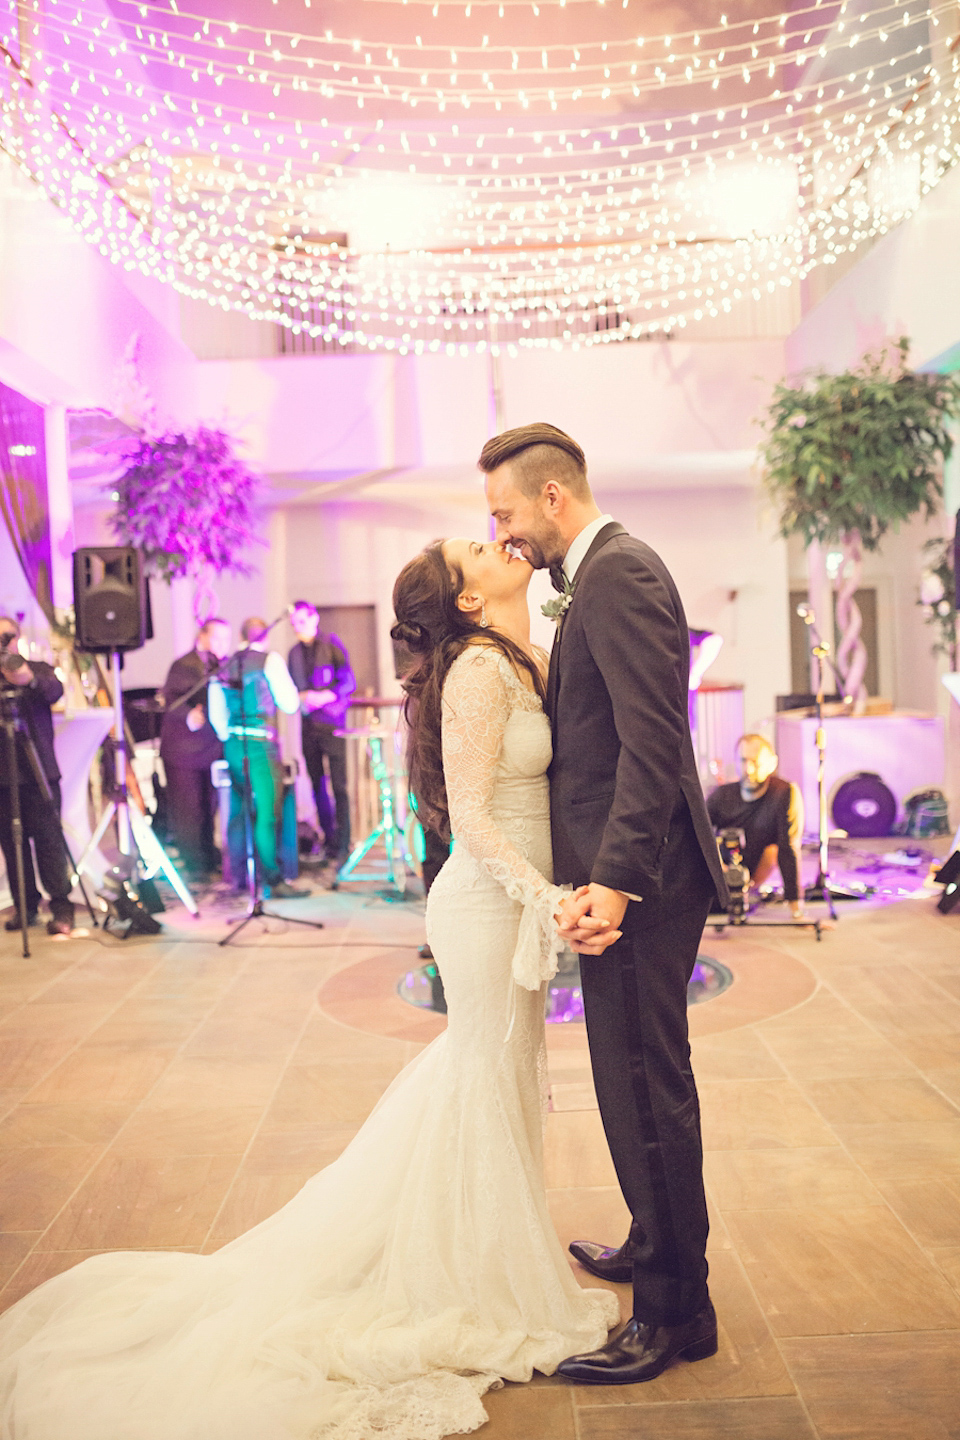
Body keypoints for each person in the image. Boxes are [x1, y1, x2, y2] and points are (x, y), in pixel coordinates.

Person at [0, 538, 620, 1440]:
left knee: (496, 1082)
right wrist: (547, 896)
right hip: (487, 905)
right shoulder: (479, 673)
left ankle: (481, 1256)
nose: (494, 543)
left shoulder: (517, 652)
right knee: (486, 1080)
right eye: (474, 550)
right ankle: (480, 1278)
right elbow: (475, 818)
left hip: (515, 902)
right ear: (469, 602)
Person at [481, 422, 728, 1387]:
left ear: (552, 499)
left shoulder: (619, 573)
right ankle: (650, 1241)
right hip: (623, 878)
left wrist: (615, 883)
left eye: (505, 511)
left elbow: (653, 741)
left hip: (642, 882)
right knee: (628, 1084)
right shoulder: (597, 575)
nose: (500, 532)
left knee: (643, 1088)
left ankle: (677, 1312)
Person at [208, 617, 306, 900]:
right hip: (261, 745)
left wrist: (232, 735)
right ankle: (273, 880)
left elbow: (217, 719)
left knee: (239, 811)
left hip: (235, 746)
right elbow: (290, 703)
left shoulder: (223, 666)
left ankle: (239, 878)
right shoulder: (269, 661)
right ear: (264, 637)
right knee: (266, 813)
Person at [0, 619, 75, 937]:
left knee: (48, 842)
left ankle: (61, 909)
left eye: (8, 636)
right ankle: (25, 907)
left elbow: (54, 691)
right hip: (3, 777)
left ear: (19, 638)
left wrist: (26, 678)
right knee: (12, 844)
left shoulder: (38, 669)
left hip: (39, 772)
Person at [159, 617, 231, 882]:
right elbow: (172, 699)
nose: (223, 644)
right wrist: (189, 715)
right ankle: (195, 866)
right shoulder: (184, 665)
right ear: (202, 637)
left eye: (227, 638)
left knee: (208, 807)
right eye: (217, 638)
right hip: (183, 752)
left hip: (210, 750)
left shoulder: (222, 667)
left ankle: (208, 860)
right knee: (188, 810)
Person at [287, 601, 355, 867]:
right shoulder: (293, 653)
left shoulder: (331, 644)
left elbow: (348, 680)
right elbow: (292, 689)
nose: (298, 628)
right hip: (308, 726)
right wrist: (305, 697)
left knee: (340, 786)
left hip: (333, 723)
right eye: (294, 624)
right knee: (316, 785)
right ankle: (329, 840)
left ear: (314, 619)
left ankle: (344, 843)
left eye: (302, 622)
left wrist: (328, 695)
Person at [707, 733, 805, 918]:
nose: (748, 769)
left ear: (772, 764)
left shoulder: (784, 794)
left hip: (754, 871)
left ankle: (746, 895)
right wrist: (717, 866)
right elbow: (697, 834)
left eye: (755, 762)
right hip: (719, 873)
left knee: (774, 849)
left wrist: (796, 910)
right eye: (743, 761)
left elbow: (789, 848)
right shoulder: (721, 795)